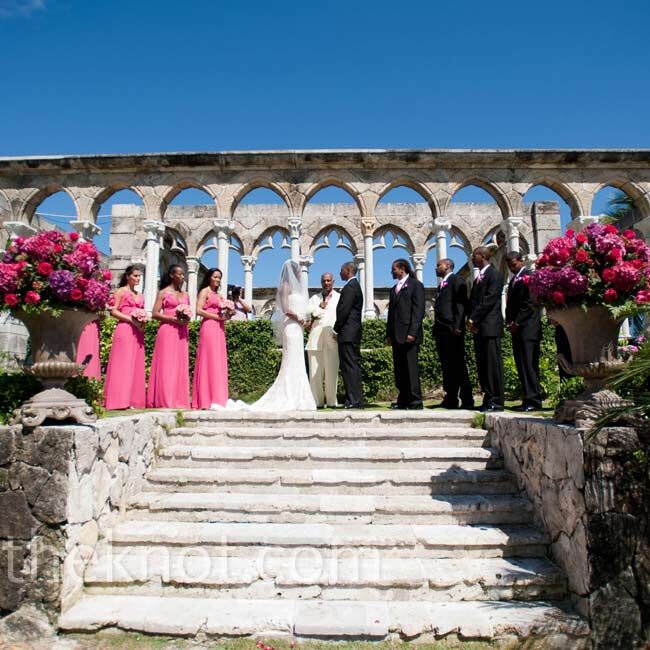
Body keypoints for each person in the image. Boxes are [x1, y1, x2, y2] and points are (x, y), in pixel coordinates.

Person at [147, 264, 191, 409]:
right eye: (180, 274)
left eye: (183, 274)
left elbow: (190, 314)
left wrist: (185, 319)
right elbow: (155, 313)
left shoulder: (186, 295)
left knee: (180, 363)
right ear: (172, 275)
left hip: (182, 332)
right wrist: (173, 319)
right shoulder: (163, 292)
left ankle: (179, 399)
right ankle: (165, 399)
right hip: (167, 330)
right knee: (166, 364)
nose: (182, 277)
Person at [433, 258, 474, 409]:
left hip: (452, 329)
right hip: (442, 330)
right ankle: (451, 398)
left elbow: (461, 304)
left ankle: (467, 399)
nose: (436, 268)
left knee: (458, 365)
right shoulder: (443, 284)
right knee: (447, 366)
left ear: (448, 266)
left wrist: (458, 326)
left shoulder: (457, 280)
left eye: (439, 265)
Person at [467, 246, 505, 412]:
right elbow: (473, 301)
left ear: (481, 256)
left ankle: (496, 400)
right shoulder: (478, 278)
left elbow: (489, 300)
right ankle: (488, 397)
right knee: (483, 365)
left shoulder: (494, 275)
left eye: (473, 255)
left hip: (490, 327)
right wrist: (472, 322)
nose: (471, 258)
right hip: (479, 328)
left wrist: (473, 318)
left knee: (492, 364)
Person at [104, 265, 146, 410]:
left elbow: (141, 311)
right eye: (135, 275)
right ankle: (118, 400)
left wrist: (141, 322)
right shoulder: (120, 291)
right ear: (127, 276)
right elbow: (113, 311)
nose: (138, 278)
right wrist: (130, 320)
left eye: (139, 276)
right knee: (122, 363)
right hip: (125, 329)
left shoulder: (140, 295)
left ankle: (132, 399)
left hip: (138, 331)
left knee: (135, 363)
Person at [385, 258, 425, 410]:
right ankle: (403, 399)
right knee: (400, 369)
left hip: (409, 335)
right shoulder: (393, 289)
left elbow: (418, 311)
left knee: (411, 368)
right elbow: (391, 315)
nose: (391, 271)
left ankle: (415, 400)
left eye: (393, 269)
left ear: (402, 269)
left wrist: (412, 332)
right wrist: (388, 334)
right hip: (396, 336)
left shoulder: (415, 286)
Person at [505, 252, 542, 411]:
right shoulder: (514, 279)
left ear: (521, 261)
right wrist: (509, 322)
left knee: (529, 364)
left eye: (513, 264)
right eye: (509, 264)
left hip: (528, 327)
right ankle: (527, 398)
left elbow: (530, 303)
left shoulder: (529, 276)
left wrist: (517, 321)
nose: (511, 267)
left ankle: (534, 400)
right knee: (521, 365)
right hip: (517, 329)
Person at [192, 268, 230, 409]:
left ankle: (217, 398)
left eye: (219, 277)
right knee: (208, 359)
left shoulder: (219, 295)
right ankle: (204, 398)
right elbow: (199, 310)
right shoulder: (205, 291)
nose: (218, 280)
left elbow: (223, 313)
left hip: (219, 329)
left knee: (218, 361)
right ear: (209, 277)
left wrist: (227, 314)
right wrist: (216, 317)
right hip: (208, 326)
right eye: (215, 277)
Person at [306, 272, 340, 408]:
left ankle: (332, 402)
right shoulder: (314, 298)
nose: (326, 283)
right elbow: (308, 312)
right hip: (315, 338)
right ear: (321, 282)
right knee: (314, 373)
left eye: (328, 280)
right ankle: (317, 402)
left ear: (333, 281)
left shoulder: (339, 297)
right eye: (324, 281)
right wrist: (319, 307)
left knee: (332, 371)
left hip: (332, 337)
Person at [333, 261, 364, 409]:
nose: (340, 273)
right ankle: (352, 398)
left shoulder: (350, 287)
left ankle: (354, 400)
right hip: (351, 333)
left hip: (348, 333)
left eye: (341, 270)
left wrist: (336, 329)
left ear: (348, 271)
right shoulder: (353, 286)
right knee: (350, 366)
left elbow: (343, 311)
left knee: (350, 366)